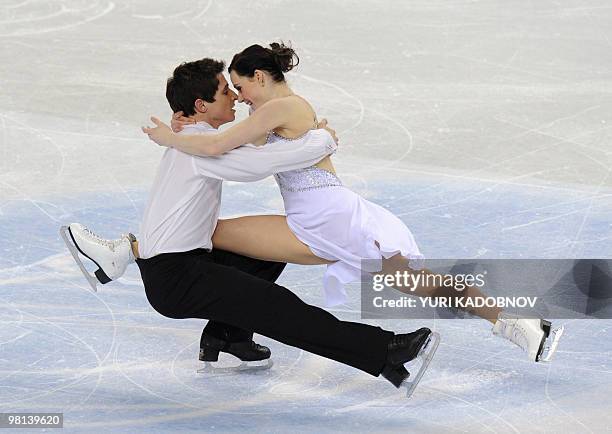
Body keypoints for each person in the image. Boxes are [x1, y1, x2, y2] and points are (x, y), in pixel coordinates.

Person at [141, 42, 562, 363]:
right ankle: (225, 329)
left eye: (241, 86)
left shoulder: (280, 107)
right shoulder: (273, 112)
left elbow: (217, 147)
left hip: (331, 217)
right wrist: (188, 123)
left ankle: (516, 325)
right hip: (307, 218)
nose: (239, 96)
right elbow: (229, 146)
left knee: (421, 282)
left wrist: (172, 137)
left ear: (261, 77)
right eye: (231, 90)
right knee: (211, 234)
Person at [64, 57, 439, 394]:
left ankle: (228, 336)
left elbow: (249, 149)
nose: (235, 97)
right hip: (177, 276)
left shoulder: (196, 138)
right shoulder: (197, 145)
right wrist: (321, 141)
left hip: (190, 262)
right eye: (225, 91)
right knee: (282, 311)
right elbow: (258, 164)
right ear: (201, 106)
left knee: (268, 252)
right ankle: (386, 353)